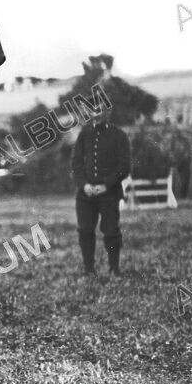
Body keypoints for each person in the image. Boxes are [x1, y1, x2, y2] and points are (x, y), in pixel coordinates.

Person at [71, 103, 131, 276]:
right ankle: (89, 269)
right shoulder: (84, 134)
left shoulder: (119, 136)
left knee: (111, 231)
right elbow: (76, 164)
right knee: (85, 230)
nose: (95, 115)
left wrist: (106, 184)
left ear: (108, 112)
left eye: (99, 111)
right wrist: (85, 185)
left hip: (109, 194)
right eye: (93, 111)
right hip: (86, 195)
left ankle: (114, 268)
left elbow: (124, 166)